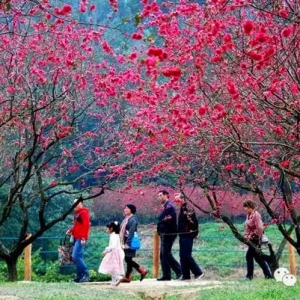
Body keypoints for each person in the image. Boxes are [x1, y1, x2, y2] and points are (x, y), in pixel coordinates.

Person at [174, 193, 204, 280]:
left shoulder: (188, 209)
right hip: (182, 235)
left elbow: (194, 222)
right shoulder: (182, 208)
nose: (176, 202)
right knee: (182, 256)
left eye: (177, 200)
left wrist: (194, 233)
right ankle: (186, 275)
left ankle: (198, 272)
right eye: (175, 200)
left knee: (186, 255)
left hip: (187, 235)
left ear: (183, 199)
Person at [116, 204, 147, 285]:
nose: (125, 209)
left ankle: (141, 271)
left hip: (129, 241)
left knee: (128, 259)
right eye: (125, 208)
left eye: (127, 208)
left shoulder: (132, 220)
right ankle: (128, 276)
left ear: (131, 210)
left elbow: (131, 232)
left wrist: (127, 243)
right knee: (128, 259)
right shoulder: (126, 219)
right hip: (125, 241)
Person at [243, 200, 272, 280]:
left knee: (249, 256)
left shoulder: (256, 215)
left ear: (250, 207)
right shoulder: (248, 215)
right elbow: (247, 227)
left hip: (255, 239)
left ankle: (249, 276)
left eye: (245, 207)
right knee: (259, 258)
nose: (244, 209)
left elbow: (259, 227)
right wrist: (247, 235)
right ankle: (268, 276)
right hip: (251, 239)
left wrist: (254, 235)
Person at [156, 190, 182, 281]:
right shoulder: (165, 207)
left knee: (166, 253)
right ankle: (166, 275)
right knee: (163, 255)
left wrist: (163, 229)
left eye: (160, 195)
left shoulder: (169, 206)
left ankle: (179, 271)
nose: (159, 197)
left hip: (169, 233)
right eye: (158, 196)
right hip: (165, 233)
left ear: (166, 195)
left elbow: (168, 221)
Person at [66, 197, 90, 283]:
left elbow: (86, 225)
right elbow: (77, 225)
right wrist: (71, 230)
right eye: (74, 204)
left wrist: (83, 237)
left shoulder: (83, 213)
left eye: (76, 203)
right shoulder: (77, 213)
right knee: (78, 256)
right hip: (76, 237)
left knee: (75, 256)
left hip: (81, 238)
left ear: (81, 204)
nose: (75, 205)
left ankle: (86, 273)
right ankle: (80, 276)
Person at [98, 221, 125, 286]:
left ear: (111, 228)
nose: (106, 230)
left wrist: (106, 251)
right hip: (118, 253)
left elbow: (113, 246)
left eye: (107, 228)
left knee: (112, 268)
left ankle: (118, 278)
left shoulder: (113, 236)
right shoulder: (117, 235)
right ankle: (113, 283)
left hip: (113, 254)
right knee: (113, 269)